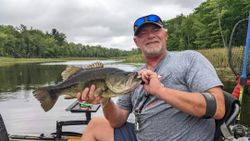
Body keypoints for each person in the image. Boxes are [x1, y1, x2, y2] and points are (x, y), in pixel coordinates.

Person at [76, 14, 225, 141]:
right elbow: (117, 121)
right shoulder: (132, 77)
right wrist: (105, 99)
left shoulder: (189, 59)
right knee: (95, 125)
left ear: (165, 35)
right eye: (143, 33)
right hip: (140, 136)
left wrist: (160, 91)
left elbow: (218, 108)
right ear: (136, 42)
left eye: (155, 30)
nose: (150, 36)